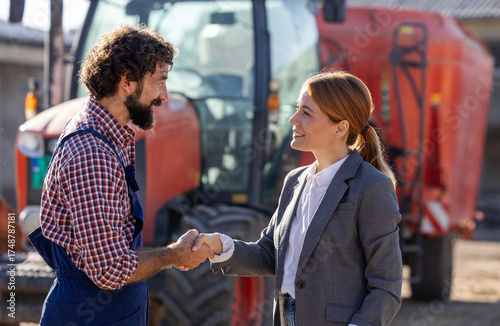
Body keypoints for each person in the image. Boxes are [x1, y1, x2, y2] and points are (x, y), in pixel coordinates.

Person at [28, 25, 214, 326]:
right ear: (127, 80)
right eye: (159, 82)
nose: (164, 96)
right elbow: (109, 270)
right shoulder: (92, 153)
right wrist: (174, 255)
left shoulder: (107, 135)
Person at [188, 71, 403, 325]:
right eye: (297, 109)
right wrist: (220, 247)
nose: (292, 119)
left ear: (340, 128)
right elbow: (269, 254)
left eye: (306, 113)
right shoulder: (294, 181)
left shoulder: (371, 187)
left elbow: (386, 286)